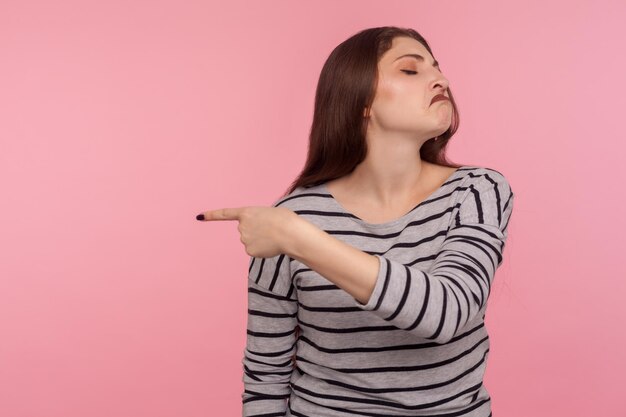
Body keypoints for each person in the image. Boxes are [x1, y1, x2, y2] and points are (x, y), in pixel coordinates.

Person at [197, 26, 514, 417]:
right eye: (411, 71)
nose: (442, 80)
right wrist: (293, 229)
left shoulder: (477, 190)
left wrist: (299, 239)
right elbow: (266, 375)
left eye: (438, 69)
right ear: (361, 99)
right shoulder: (291, 215)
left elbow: (446, 312)